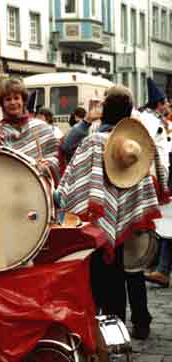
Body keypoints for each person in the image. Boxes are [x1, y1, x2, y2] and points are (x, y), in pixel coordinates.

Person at [56, 85, 168, 340]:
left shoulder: (94, 141)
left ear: (105, 110)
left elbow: (68, 154)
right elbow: (155, 177)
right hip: (133, 215)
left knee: (105, 272)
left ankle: (107, 326)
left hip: (100, 217)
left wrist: (87, 119)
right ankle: (140, 322)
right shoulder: (137, 142)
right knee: (133, 267)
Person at [0, 78, 60, 184]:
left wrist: (47, 166)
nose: (13, 102)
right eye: (8, 99)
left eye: (16, 98)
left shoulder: (40, 127)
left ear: (23, 101)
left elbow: (57, 158)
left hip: (38, 190)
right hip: (7, 189)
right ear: (2, 104)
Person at [141, 78, 172, 287]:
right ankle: (158, 267)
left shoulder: (150, 118)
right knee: (163, 222)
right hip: (155, 176)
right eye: (165, 103)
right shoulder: (152, 122)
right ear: (159, 104)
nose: (167, 106)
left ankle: (159, 267)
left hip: (159, 175)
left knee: (164, 223)